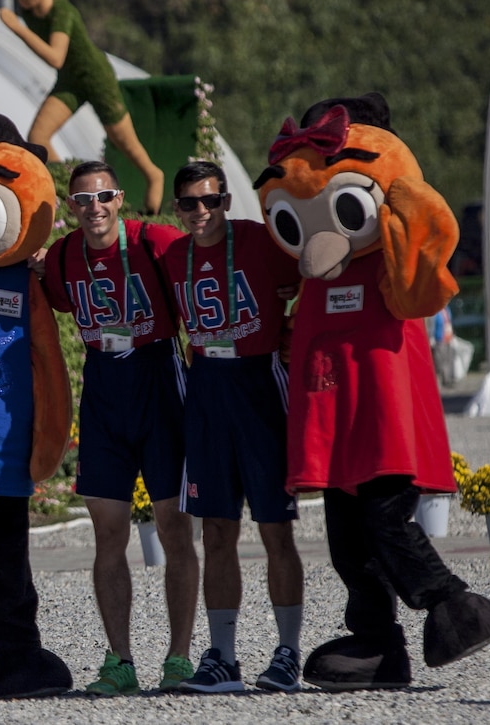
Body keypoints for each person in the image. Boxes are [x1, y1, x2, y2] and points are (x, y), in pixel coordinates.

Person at [41, 160, 199, 694]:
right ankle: (120, 660)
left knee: (174, 526)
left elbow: (206, 268)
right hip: (105, 387)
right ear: (70, 206)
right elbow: (41, 286)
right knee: (107, 532)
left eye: (104, 196)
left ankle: (179, 657)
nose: (95, 208)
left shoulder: (154, 240)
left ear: (120, 198)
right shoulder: (64, 255)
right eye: (83, 200)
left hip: (159, 380)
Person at [160, 161, 305, 693]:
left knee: (275, 528)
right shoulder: (173, 256)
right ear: (176, 208)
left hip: (260, 386)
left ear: (226, 200)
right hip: (207, 389)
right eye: (189, 203)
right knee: (217, 530)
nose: (201, 211)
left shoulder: (260, 241)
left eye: (210, 200)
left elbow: (308, 277)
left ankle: (288, 651)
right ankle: (223, 655)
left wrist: (296, 339)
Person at [0, 0, 165, 215]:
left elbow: (56, 57)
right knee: (38, 136)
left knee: (126, 143)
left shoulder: (62, 11)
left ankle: (154, 177)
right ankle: (72, 189)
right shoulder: (30, 13)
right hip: (70, 81)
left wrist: (17, 28)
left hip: (96, 77)